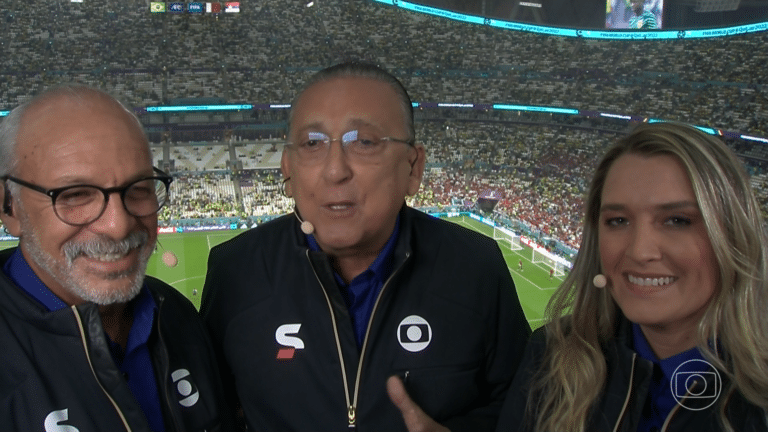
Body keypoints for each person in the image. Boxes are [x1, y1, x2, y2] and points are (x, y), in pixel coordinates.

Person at [201, 61, 531, 432]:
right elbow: (212, 416)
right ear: (288, 169)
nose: (335, 170)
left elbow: (523, 409)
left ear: (414, 167)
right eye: (312, 144)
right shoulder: (234, 272)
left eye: (364, 142)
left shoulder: (476, 268)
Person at [496, 122, 768, 432]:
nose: (639, 251)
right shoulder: (551, 355)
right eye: (618, 220)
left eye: (677, 220)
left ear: (732, 235)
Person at [0, 84, 234, 431]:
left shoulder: (176, 316)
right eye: (75, 195)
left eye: (139, 189)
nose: (118, 225)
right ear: (10, 208)